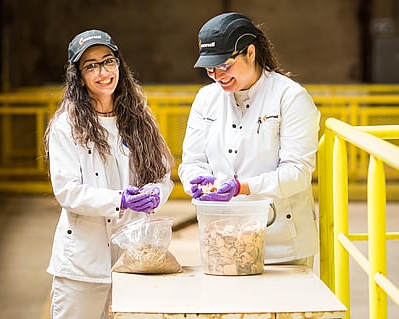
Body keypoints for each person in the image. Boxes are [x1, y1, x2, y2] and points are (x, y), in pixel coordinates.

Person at [43, 29, 174, 319]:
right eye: (91, 66)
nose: (103, 72)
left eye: (108, 61)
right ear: (78, 76)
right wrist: (120, 200)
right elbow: (68, 191)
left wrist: (155, 193)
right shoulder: (67, 125)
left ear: (119, 65)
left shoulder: (140, 118)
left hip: (135, 256)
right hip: (83, 262)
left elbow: (163, 175)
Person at [178, 12, 320, 267]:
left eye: (224, 66)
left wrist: (241, 187)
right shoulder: (206, 99)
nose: (218, 76)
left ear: (250, 52)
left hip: (281, 243)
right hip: (221, 239)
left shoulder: (289, 97)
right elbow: (192, 161)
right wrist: (195, 181)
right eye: (210, 69)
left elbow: (297, 172)